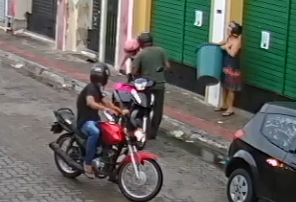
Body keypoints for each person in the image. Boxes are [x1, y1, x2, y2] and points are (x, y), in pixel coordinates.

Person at [76, 62, 128, 178]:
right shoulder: (90, 88)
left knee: (109, 131)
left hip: (95, 120)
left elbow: (106, 102)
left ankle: (101, 156)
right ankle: (88, 163)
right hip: (85, 122)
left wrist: (119, 110)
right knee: (95, 132)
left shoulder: (97, 89)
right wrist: (105, 109)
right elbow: (90, 103)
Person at [131, 31, 170, 139]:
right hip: (159, 84)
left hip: (145, 85)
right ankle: (153, 132)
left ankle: (145, 129)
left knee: (144, 107)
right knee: (158, 109)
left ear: (141, 43)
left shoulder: (140, 54)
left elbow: (134, 71)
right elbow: (167, 66)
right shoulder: (161, 51)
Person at [215, 21, 242, 116]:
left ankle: (230, 108)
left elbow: (233, 54)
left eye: (230, 26)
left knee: (231, 88)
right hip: (226, 64)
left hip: (233, 66)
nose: (228, 27)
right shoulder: (229, 38)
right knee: (224, 85)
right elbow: (222, 43)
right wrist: (214, 44)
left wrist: (226, 48)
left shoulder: (237, 41)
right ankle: (224, 104)